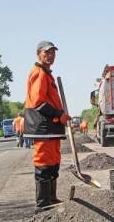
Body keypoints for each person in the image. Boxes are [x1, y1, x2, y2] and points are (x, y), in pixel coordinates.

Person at [23, 40, 71, 213]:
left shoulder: (46, 73)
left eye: (52, 52)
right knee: (44, 162)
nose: (50, 55)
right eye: (47, 52)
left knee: (53, 161)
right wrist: (59, 114)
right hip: (42, 127)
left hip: (50, 127)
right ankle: (43, 202)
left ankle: (51, 197)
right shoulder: (39, 73)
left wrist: (60, 115)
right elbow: (38, 103)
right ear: (38, 54)